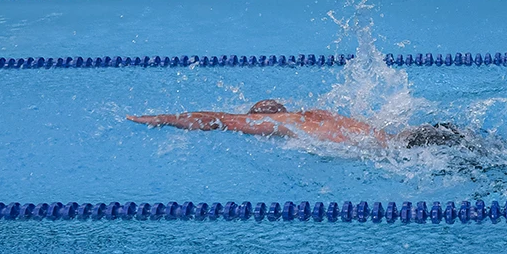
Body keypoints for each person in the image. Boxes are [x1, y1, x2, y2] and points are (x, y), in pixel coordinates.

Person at [129, 100, 471, 149]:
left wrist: (163, 118)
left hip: (398, 152)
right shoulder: (316, 112)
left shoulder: (273, 122)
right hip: (412, 135)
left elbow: (213, 121)